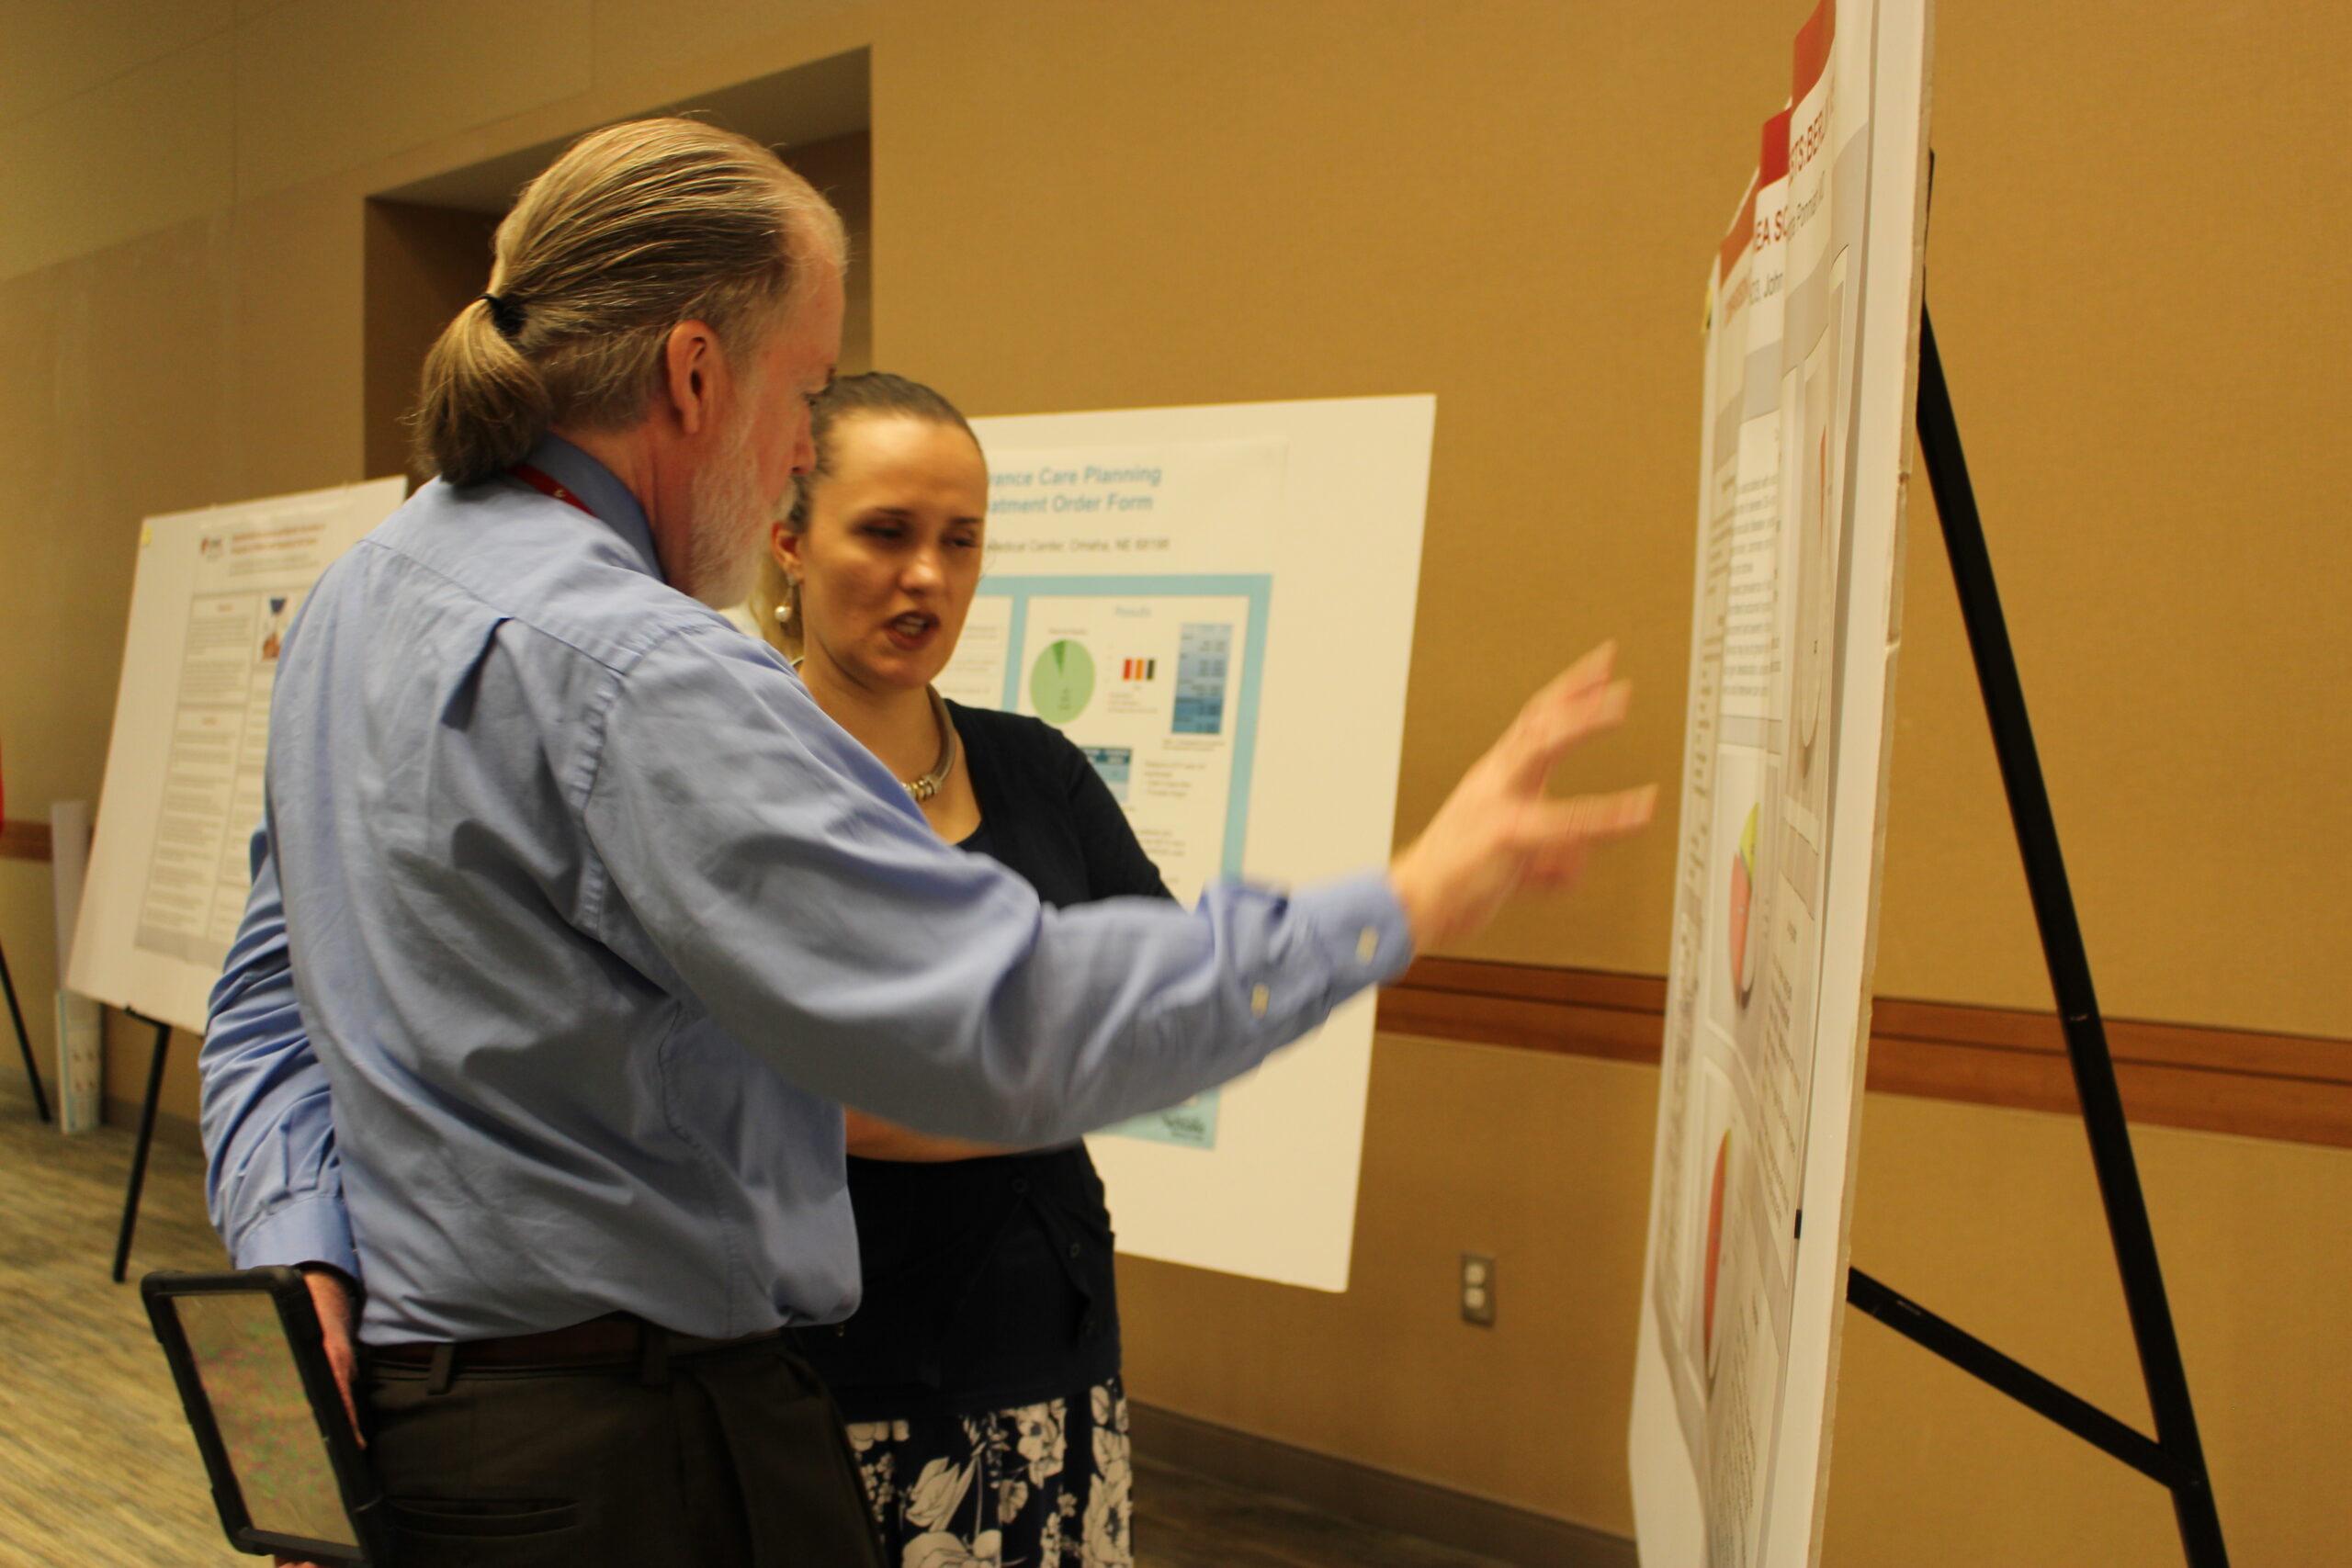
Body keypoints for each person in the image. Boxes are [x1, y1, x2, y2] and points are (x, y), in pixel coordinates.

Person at [200, 117, 1653, 1568]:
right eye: (805, 393)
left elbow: (269, 1000)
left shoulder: (358, 601)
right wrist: (1404, 900)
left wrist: (294, 1234)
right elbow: (1002, 1020)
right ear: (695, 373)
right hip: (630, 1459)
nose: (796, 453)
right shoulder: (638, 671)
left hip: (422, 1429)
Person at [747, 370, 1155, 1563]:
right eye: (886, 532)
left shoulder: (1036, 769)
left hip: (1051, 1348)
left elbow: (1156, 1005)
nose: (928, 575)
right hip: (824, 1373)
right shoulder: (740, 775)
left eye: (959, 540)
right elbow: (792, 1091)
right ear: (789, 541)